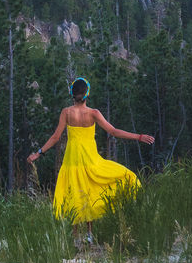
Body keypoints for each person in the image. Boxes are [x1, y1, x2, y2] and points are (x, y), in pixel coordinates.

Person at [27, 77, 154, 239]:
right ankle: (89, 234)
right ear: (87, 94)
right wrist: (139, 136)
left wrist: (37, 153)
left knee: (75, 194)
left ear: (73, 94)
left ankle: (75, 237)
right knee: (90, 191)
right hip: (90, 160)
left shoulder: (66, 113)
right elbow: (113, 131)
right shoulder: (94, 114)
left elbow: (55, 137)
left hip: (72, 161)